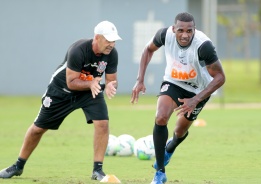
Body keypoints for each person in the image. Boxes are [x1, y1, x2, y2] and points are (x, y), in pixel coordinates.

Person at [0, 20, 122, 181]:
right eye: (108, 39)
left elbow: (112, 79)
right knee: (38, 129)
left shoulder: (111, 54)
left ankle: (97, 170)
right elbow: (71, 82)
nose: (111, 44)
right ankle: (18, 166)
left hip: (90, 90)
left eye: (114, 40)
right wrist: (92, 83)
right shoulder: (78, 50)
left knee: (103, 124)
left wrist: (110, 86)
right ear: (97, 37)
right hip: (62, 90)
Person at [131, 12, 225, 184]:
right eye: (180, 30)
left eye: (189, 31)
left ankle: (171, 147)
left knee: (180, 131)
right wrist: (140, 80)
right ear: (174, 29)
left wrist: (196, 99)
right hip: (173, 82)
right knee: (160, 117)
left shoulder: (203, 46)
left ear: (194, 30)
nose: (185, 35)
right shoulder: (164, 35)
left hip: (199, 90)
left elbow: (220, 77)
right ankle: (160, 172)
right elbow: (147, 50)